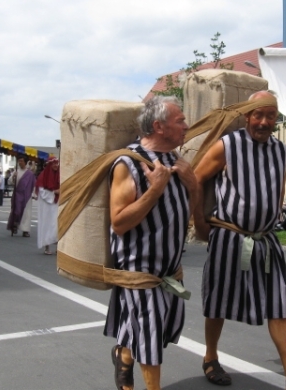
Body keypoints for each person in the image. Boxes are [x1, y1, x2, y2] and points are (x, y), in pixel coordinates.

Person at [194, 91, 286, 390]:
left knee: (277, 303)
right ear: (247, 116)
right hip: (230, 237)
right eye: (259, 115)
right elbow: (196, 178)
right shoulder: (227, 147)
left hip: (266, 241)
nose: (264, 122)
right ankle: (210, 357)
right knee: (218, 301)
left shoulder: (281, 151)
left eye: (271, 115)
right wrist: (199, 222)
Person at [104, 95, 196, 390]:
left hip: (170, 269)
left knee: (154, 330)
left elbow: (188, 212)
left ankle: (123, 353)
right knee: (151, 338)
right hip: (139, 269)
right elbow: (119, 222)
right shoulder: (128, 164)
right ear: (159, 126)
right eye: (180, 120)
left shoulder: (178, 162)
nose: (186, 125)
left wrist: (193, 183)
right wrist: (154, 190)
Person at [35, 157, 60, 255]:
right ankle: (47, 246)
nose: (56, 165)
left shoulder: (59, 175)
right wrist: (55, 192)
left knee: (57, 224)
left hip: (57, 202)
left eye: (57, 163)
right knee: (47, 223)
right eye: (54, 163)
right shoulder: (43, 175)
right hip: (46, 204)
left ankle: (59, 247)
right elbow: (42, 191)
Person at [7, 156, 36, 237]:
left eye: (21, 161)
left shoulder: (30, 174)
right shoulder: (16, 171)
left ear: (25, 162)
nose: (20, 163)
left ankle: (25, 230)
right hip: (17, 194)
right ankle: (15, 225)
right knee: (16, 211)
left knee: (26, 213)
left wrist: (34, 194)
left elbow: (34, 184)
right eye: (19, 161)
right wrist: (13, 177)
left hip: (27, 195)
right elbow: (10, 182)